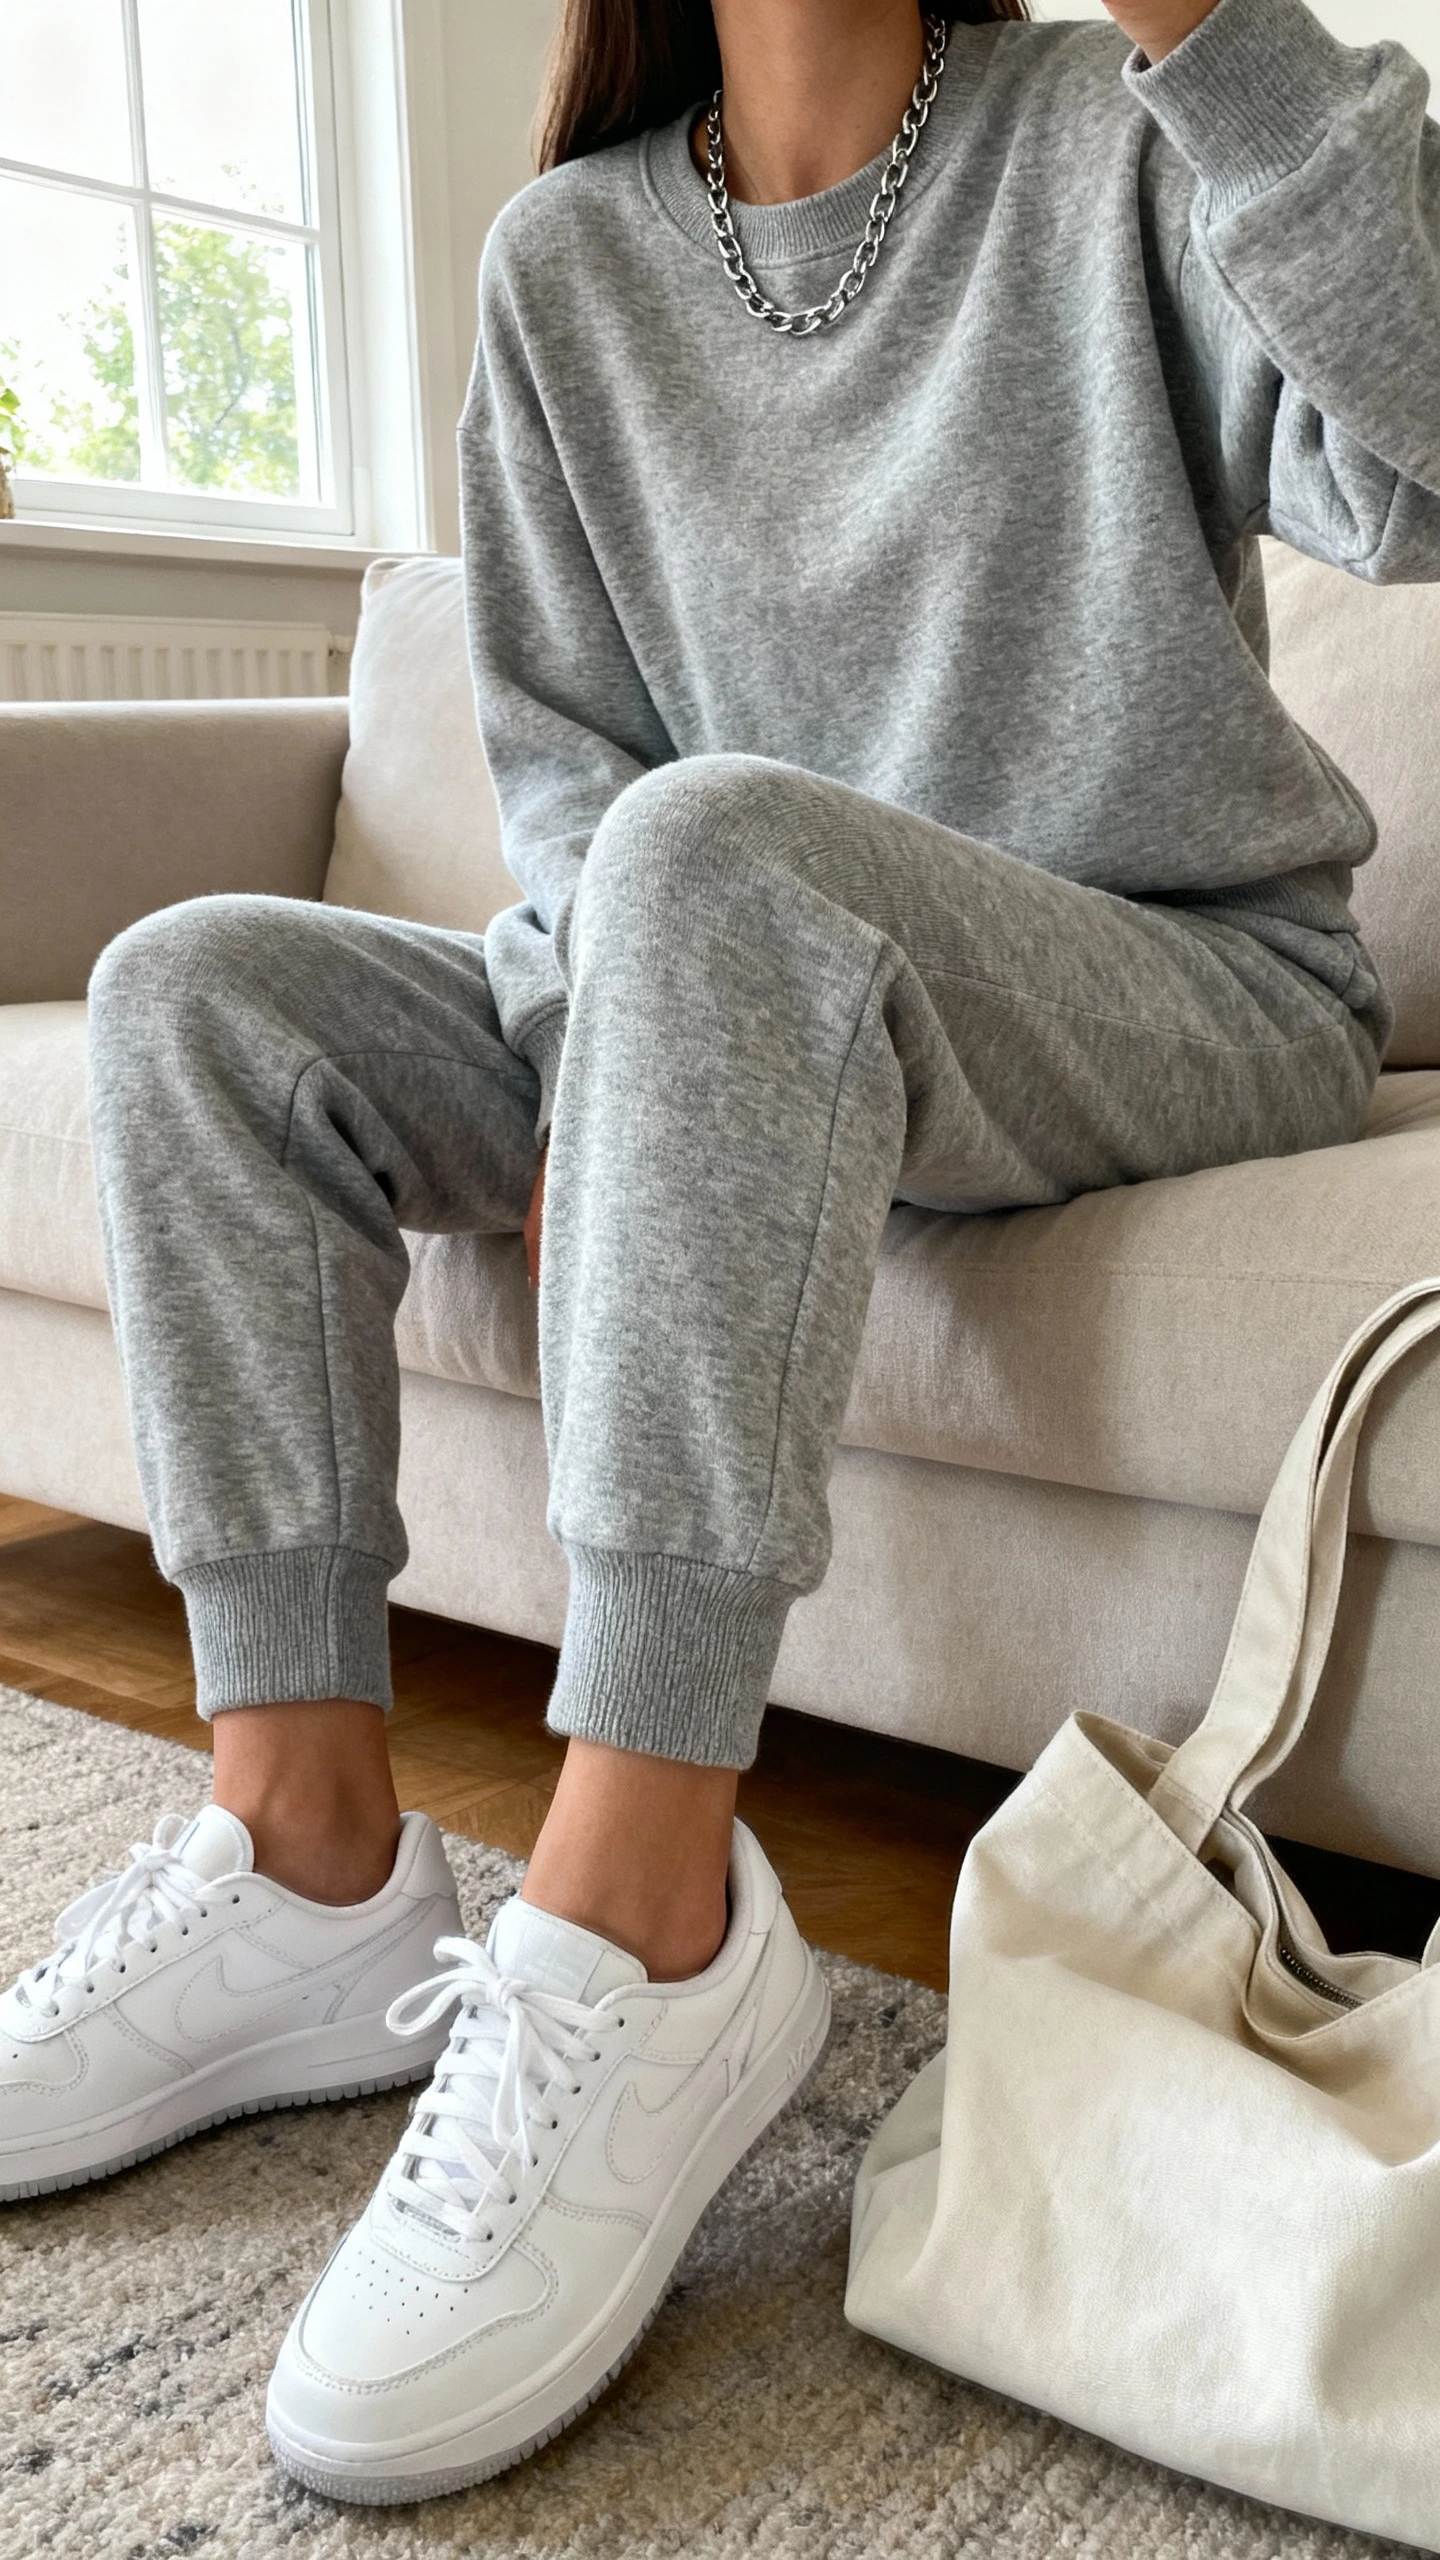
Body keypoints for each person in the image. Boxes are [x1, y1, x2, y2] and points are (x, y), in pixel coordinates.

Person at [4, 0, 1437, 2507]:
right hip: (730, 971)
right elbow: (568, 775)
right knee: (198, 993)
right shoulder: (567, 262)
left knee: (714, 853)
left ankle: (648, 1907)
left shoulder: (1116, 130)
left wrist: (1215, 35)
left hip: (1172, 979)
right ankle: (309, 1845)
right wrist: (604, 1053)